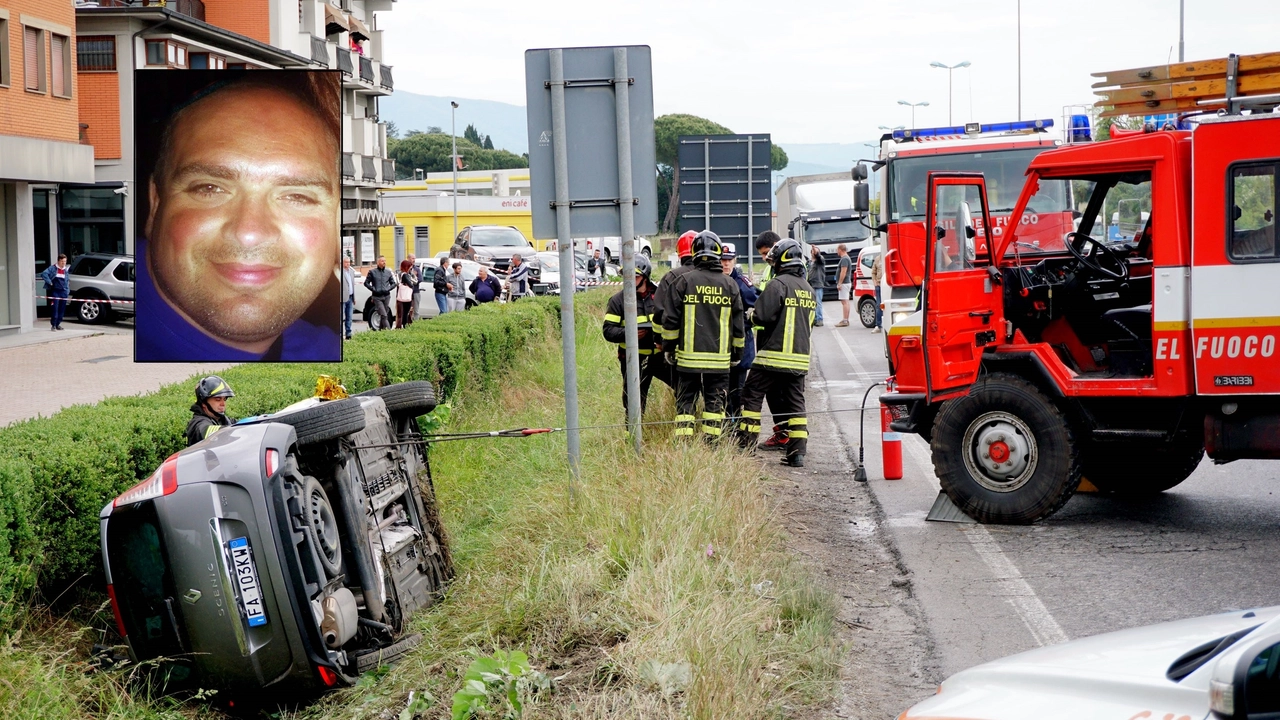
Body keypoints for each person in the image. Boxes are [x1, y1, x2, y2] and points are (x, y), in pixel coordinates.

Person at [137, 72, 342, 361]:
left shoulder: (327, 351)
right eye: (210, 188)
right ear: (155, 204)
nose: (249, 232)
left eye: (298, 196)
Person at [737, 239, 816, 467]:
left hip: (772, 355)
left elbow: (761, 316)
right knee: (796, 404)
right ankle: (797, 453)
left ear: (782, 261)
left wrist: (749, 317)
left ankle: (747, 444)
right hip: (799, 359)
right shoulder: (808, 289)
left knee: (752, 394)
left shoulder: (777, 285)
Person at [660, 231, 744, 441]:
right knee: (715, 405)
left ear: (695, 252)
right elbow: (738, 326)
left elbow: (670, 322)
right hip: (719, 361)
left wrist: (669, 348)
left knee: (685, 404)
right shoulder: (730, 285)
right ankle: (712, 444)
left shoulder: (682, 282)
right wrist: (737, 353)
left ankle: (684, 444)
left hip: (687, 360)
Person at [601, 255, 671, 417]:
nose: (630, 280)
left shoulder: (660, 296)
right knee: (633, 402)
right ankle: (632, 436)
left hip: (660, 357)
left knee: (684, 388)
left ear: (645, 277)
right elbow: (608, 331)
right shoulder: (618, 301)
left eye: (635, 276)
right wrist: (630, 334)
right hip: (633, 359)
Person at [722, 243, 759, 419]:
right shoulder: (715, 281)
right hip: (720, 344)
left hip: (741, 344)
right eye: (722, 259)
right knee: (721, 391)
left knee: (737, 391)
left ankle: (736, 425)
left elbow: (758, 306)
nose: (725, 264)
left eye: (729, 260)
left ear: (735, 260)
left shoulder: (743, 284)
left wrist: (745, 320)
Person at [650, 230, 698, 332]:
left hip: (677, 344)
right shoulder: (717, 278)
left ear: (679, 254)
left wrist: (659, 339)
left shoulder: (671, 277)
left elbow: (659, 311)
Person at [186, 375, 236, 447]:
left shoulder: (221, 419)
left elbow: (241, 423)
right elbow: (206, 431)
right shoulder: (197, 423)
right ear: (204, 403)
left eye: (224, 399)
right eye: (218, 399)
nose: (223, 404)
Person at [364, 255, 395, 330]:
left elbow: (393, 283)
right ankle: (388, 332)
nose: (384, 262)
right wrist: (373, 289)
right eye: (382, 261)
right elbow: (366, 283)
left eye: (385, 261)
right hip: (377, 297)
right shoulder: (372, 272)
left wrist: (388, 288)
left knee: (384, 315)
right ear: (378, 262)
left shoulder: (388, 272)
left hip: (386, 296)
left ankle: (381, 331)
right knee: (384, 315)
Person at [40, 254, 70, 332]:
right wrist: (49, 282)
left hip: (63, 291)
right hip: (55, 291)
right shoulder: (53, 268)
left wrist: (67, 291)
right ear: (58, 261)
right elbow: (44, 274)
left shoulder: (65, 270)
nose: (64, 263)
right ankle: (53, 324)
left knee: (62, 309)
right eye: (62, 261)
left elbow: (67, 281)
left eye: (65, 261)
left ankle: (58, 324)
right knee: (54, 308)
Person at [808, 244, 827, 327]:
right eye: (813, 251)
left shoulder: (820, 261)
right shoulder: (809, 262)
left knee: (818, 303)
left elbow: (818, 256)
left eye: (815, 251)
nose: (814, 252)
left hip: (818, 284)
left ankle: (819, 319)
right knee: (811, 303)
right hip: (810, 285)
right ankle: (814, 319)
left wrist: (816, 251)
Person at [834, 244, 853, 327]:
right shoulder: (846, 258)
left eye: (837, 250)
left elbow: (843, 271)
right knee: (846, 301)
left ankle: (845, 320)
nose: (836, 251)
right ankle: (846, 319)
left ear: (840, 249)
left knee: (844, 302)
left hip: (844, 283)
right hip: (846, 282)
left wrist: (839, 283)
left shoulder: (844, 259)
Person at [396, 258, 415, 328]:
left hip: (401, 297)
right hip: (406, 298)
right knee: (406, 312)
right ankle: (405, 325)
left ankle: (403, 325)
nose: (411, 268)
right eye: (410, 267)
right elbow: (411, 284)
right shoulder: (405, 275)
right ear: (407, 267)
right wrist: (411, 281)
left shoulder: (401, 274)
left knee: (402, 313)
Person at [341, 255, 355, 339]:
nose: (348, 264)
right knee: (341, 317)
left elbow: (352, 285)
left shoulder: (351, 272)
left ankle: (348, 333)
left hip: (350, 297)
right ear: (343, 263)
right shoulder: (340, 272)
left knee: (349, 317)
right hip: (342, 298)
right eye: (346, 262)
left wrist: (354, 297)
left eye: (349, 262)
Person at [870, 250, 884, 333]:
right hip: (879, 285)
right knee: (879, 305)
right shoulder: (878, 259)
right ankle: (878, 325)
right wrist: (874, 281)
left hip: (888, 285)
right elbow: (873, 272)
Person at [407, 253, 421, 321]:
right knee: (408, 309)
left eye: (414, 258)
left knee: (416, 310)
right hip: (406, 292)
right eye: (412, 258)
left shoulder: (417, 269)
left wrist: (413, 280)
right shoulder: (405, 269)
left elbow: (420, 279)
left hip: (415, 291)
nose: (414, 260)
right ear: (408, 259)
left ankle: (416, 323)